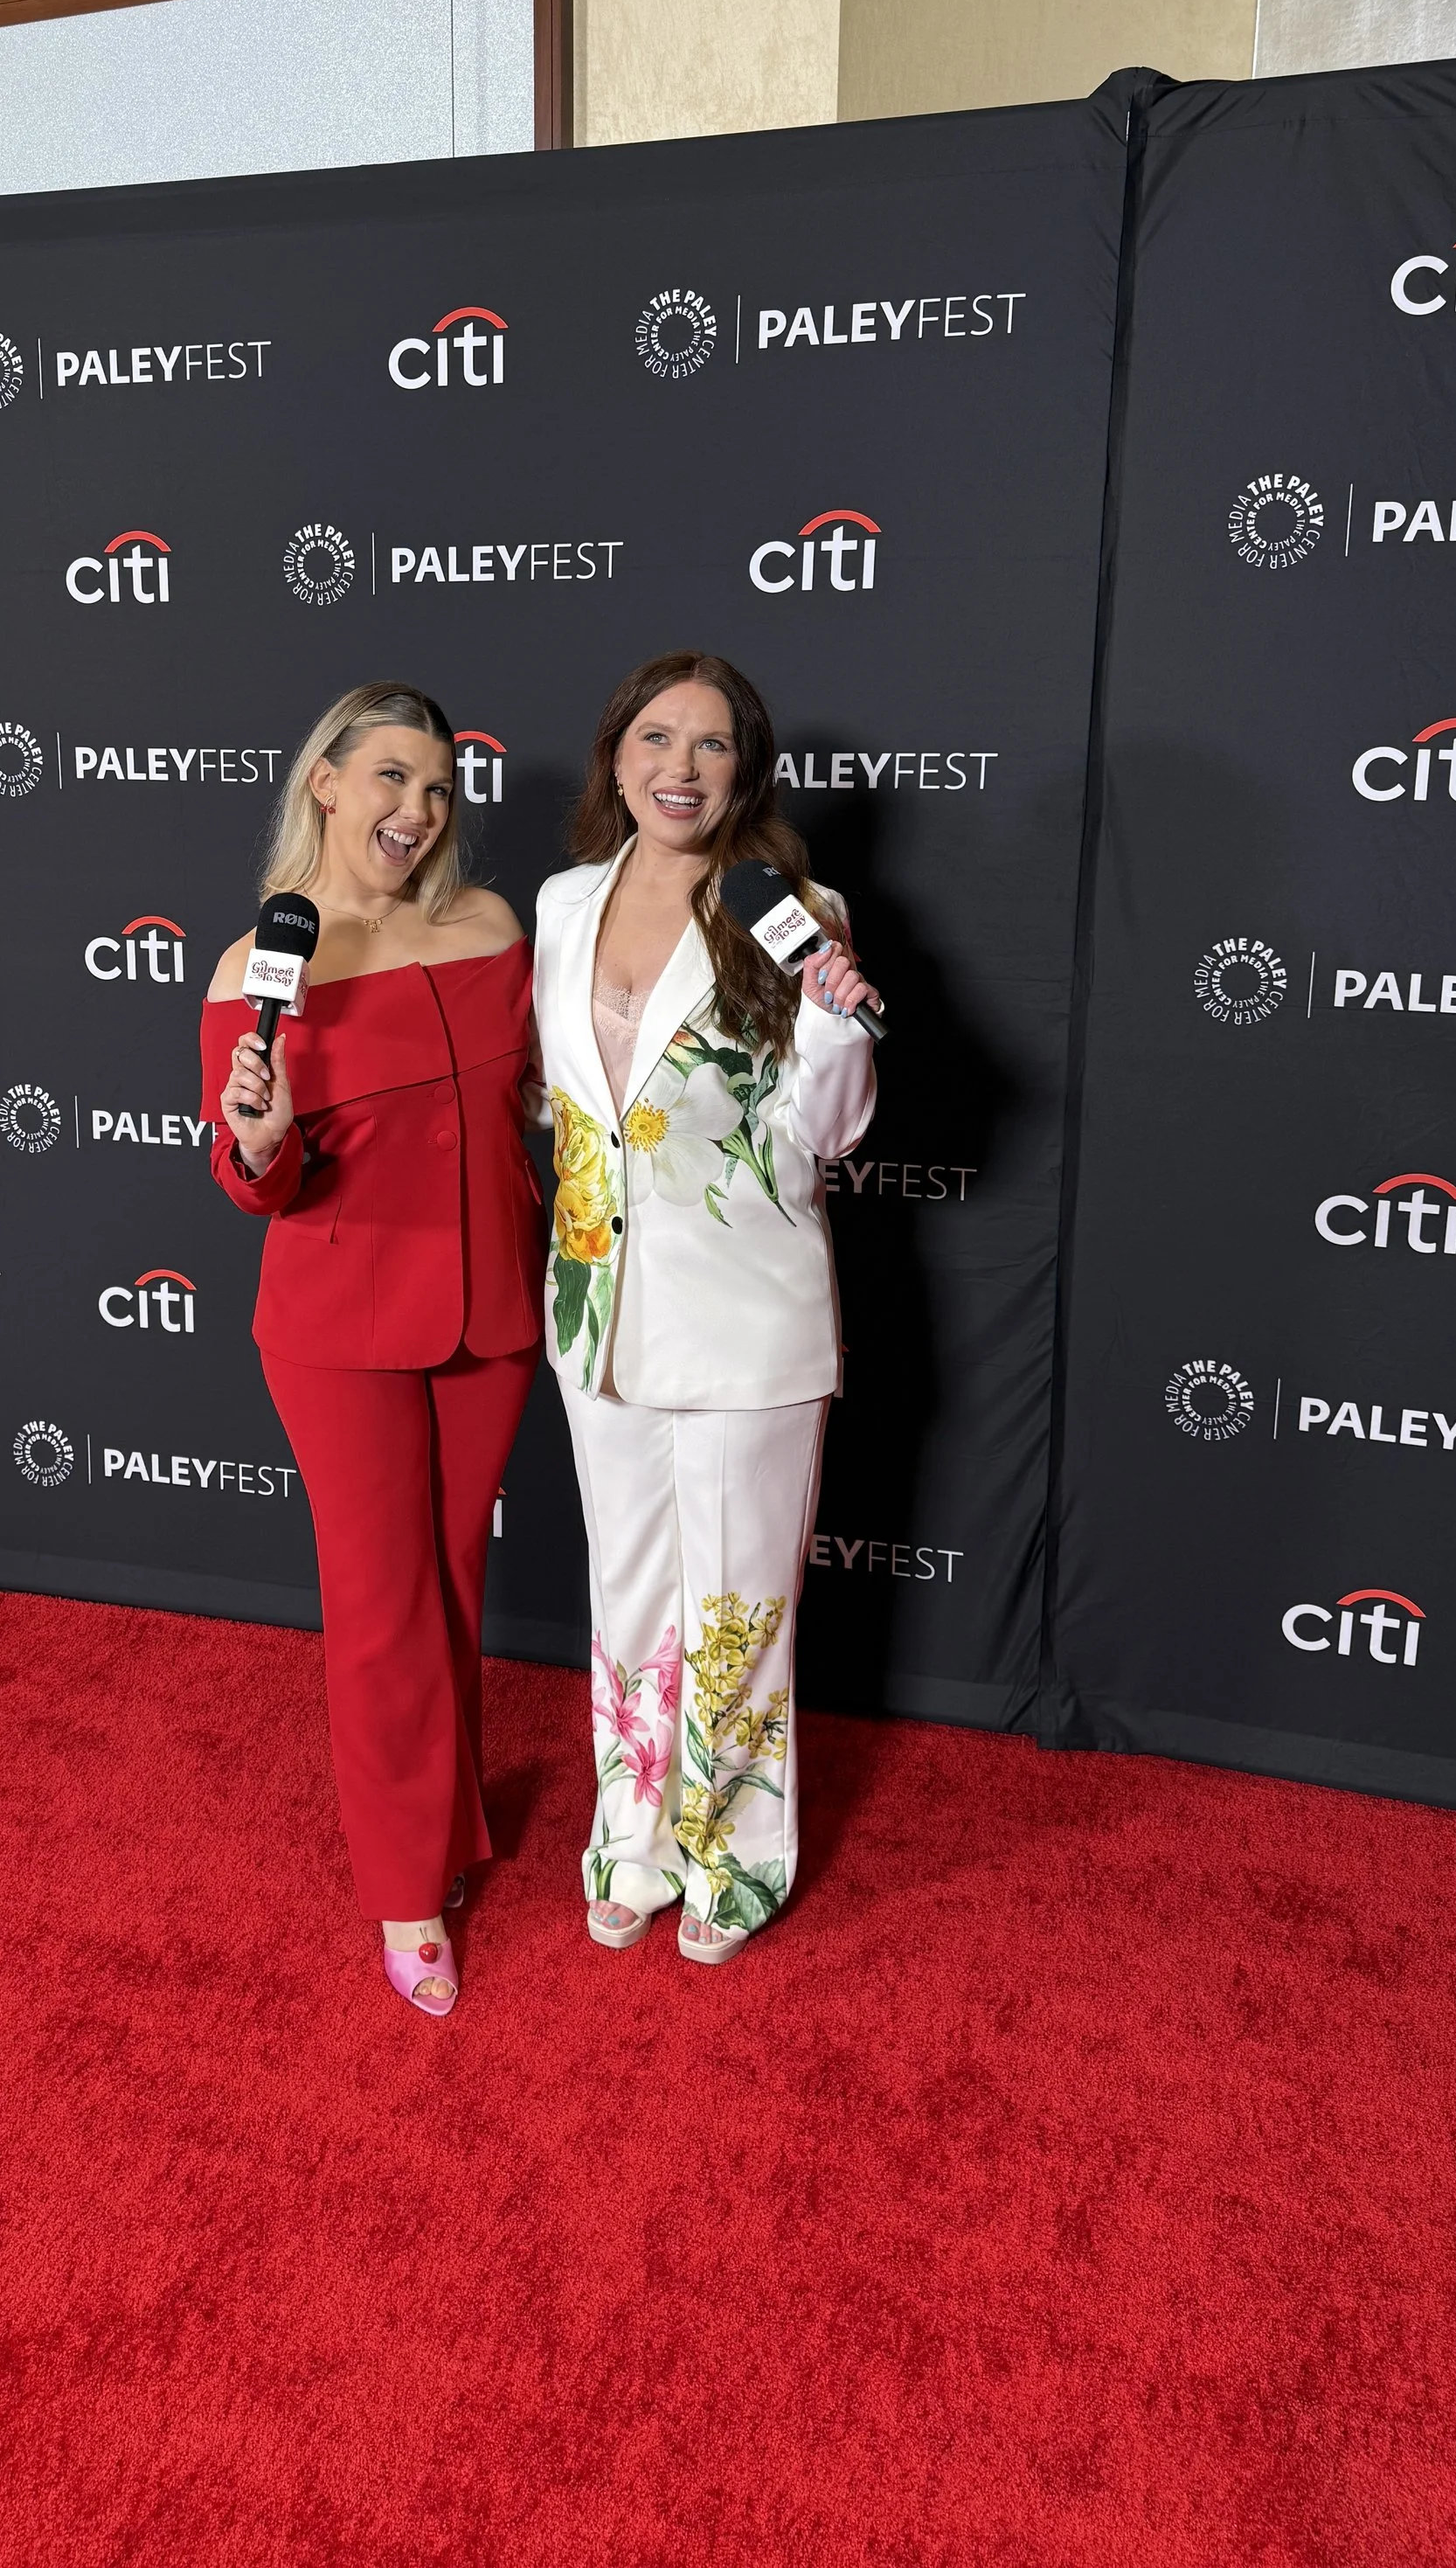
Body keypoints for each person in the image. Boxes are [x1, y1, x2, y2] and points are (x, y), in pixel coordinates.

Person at [202, 684, 543, 2017]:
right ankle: (407, 1889)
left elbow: (531, 1094)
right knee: (382, 1603)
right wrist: (261, 1141)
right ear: (328, 784)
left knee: (450, 1584)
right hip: (341, 1326)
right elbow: (254, 1185)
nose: (418, 810)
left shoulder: (488, 926)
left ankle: (451, 1826)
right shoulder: (255, 970)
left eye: (441, 788)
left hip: (492, 1310)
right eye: (393, 778)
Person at [534, 653, 878, 1965]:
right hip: (595, 1314)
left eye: (714, 744)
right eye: (657, 739)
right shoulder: (565, 902)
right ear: (616, 757)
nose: (682, 768)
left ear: (747, 769)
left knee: (736, 1609)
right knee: (627, 1596)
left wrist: (841, 1024)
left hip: (746, 1324)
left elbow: (827, 1136)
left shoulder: (793, 903)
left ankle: (736, 1858)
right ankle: (634, 1837)